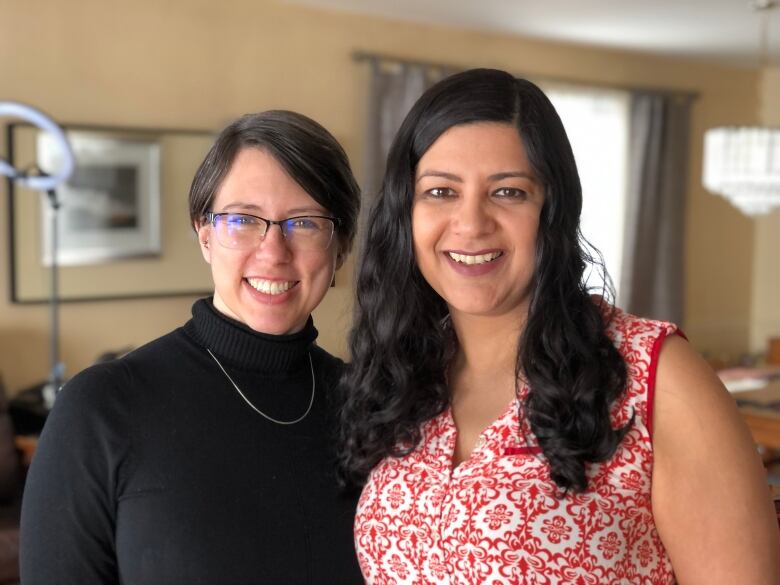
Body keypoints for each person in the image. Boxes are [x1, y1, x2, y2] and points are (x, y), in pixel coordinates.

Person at [340, 69, 780, 584]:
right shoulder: (399, 378)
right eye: (440, 191)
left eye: (508, 192)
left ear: (553, 209)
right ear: (404, 212)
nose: (471, 222)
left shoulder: (653, 375)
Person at [21, 110, 364, 584]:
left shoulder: (370, 408)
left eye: (303, 223)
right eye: (244, 219)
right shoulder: (102, 408)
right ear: (205, 235)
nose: (273, 252)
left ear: (340, 246)